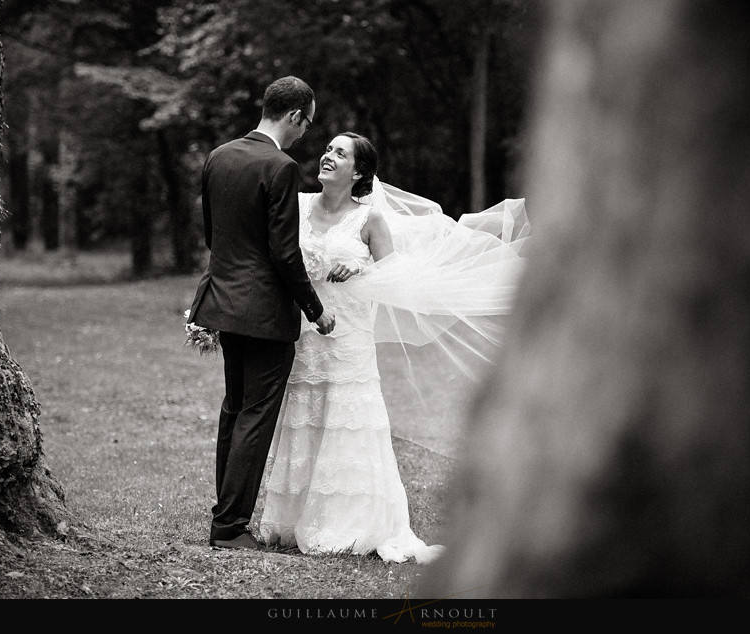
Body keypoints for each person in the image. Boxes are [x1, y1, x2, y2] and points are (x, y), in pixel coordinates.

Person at [251, 132, 530, 563]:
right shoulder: (300, 205)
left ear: (358, 172)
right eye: (327, 149)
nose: (327, 156)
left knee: (346, 418)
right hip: (304, 336)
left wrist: (359, 268)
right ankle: (291, 521)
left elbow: (396, 279)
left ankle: (347, 525)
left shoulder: (371, 220)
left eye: (339, 153)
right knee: (305, 414)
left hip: (348, 337)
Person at [187, 76, 335, 551]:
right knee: (255, 415)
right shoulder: (281, 166)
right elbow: (284, 253)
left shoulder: (219, 156)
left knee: (234, 409)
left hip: (225, 306)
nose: (304, 134)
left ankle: (225, 517)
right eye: (306, 124)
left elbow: (214, 237)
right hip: (267, 314)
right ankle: (229, 527)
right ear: (294, 116)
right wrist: (315, 310)